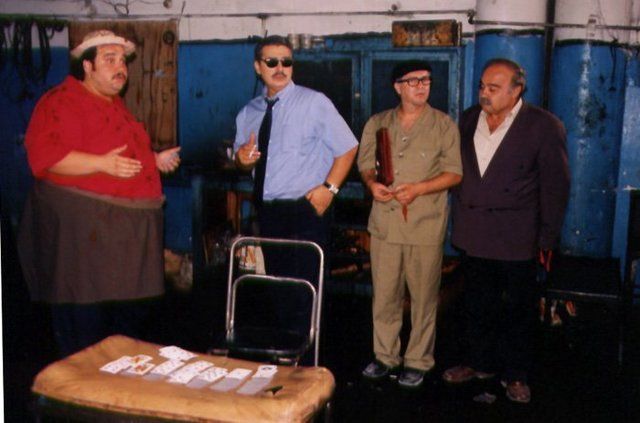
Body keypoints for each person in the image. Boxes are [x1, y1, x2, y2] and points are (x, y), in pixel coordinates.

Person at [18, 30, 181, 357]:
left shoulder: (114, 105)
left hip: (122, 238)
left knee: (122, 329)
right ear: (87, 66)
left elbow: (117, 153)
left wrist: (153, 160)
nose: (120, 67)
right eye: (109, 60)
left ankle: (114, 382)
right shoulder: (61, 101)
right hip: (88, 239)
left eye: (123, 61)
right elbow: (44, 158)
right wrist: (101, 164)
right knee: (86, 327)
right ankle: (82, 385)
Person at [443, 58, 570, 403]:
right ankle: (478, 363)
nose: (484, 93)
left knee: (517, 310)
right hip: (474, 234)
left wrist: (547, 239)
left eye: (494, 88)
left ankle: (516, 376)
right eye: (482, 86)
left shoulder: (544, 126)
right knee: (476, 305)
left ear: (517, 90)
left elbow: (556, 187)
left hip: (518, 238)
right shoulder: (469, 119)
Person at [234, 36, 358, 339]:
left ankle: (306, 357)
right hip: (269, 212)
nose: (280, 68)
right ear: (257, 66)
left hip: (305, 211)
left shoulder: (314, 103)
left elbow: (348, 147)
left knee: (306, 291)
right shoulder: (249, 112)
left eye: (286, 62)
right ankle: (285, 352)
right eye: (271, 62)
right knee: (277, 287)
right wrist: (243, 160)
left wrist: (329, 189)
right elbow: (242, 160)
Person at [357, 61, 462, 388]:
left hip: (424, 224)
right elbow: (365, 164)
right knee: (385, 295)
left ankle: (418, 360)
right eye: (413, 81)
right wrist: (372, 184)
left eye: (426, 80)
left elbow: (454, 173)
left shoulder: (443, 125)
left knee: (424, 298)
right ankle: (385, 356)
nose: (421, 86)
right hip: (386, 224)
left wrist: (419, 189)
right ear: (397, 87)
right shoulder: (378, 123)